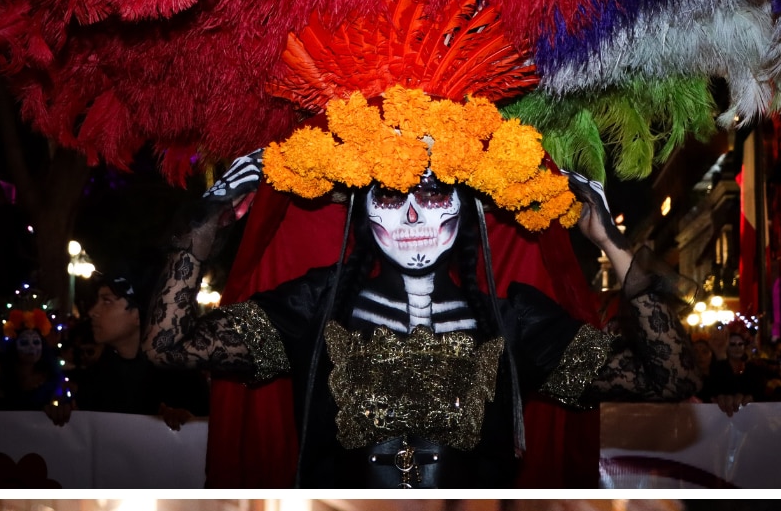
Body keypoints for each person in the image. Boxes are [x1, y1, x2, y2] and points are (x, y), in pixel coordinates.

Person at [146, 168, 700, 487]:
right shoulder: (317, 304)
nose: (413, 216)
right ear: (365, 211)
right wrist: (202, 230)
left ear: (466, 210)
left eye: (433, 195)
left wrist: (610, 243)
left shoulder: (515, 321)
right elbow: (167, 349)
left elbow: (668, 379)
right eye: (390, 195)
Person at [62, 276, 206, 429]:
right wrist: (62, 417)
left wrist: (187, 421)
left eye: (107, 301)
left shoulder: (180, 377)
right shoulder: (97, 379)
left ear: (137, 314)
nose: (92, 312)